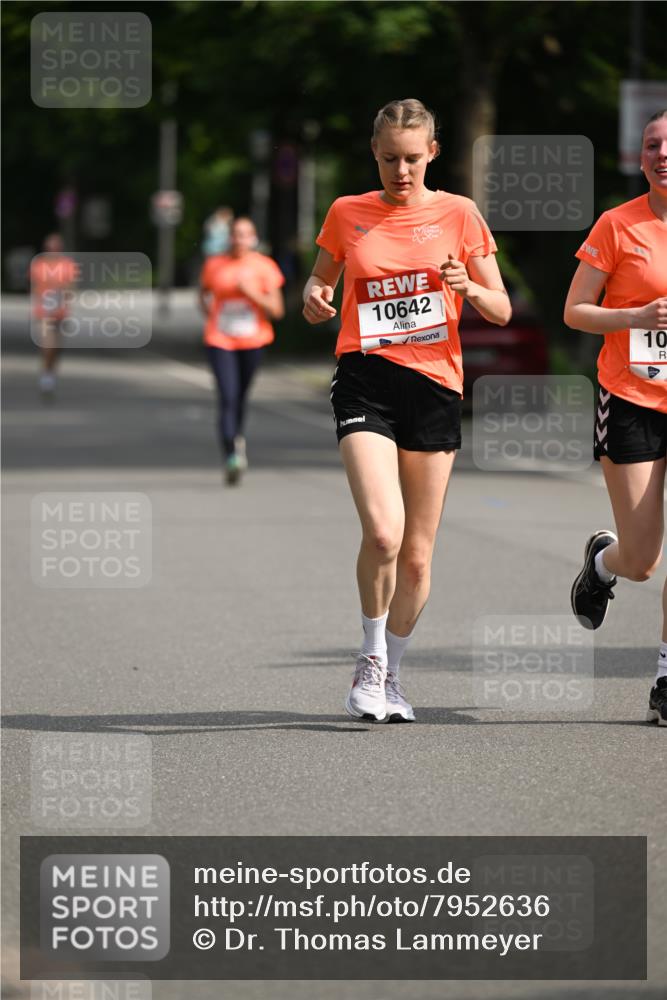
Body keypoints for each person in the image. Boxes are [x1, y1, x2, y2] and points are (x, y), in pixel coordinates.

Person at [302, 98, 511, 722]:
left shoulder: (460, 214)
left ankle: (394, 671)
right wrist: (315, 298)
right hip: (365, 379)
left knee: (418, 555)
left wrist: (465, 285)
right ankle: (368, 663)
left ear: (433, 155)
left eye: (413, 159)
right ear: (375, 153)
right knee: (384, 532)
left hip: (436, 388)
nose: (401, 171)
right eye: (390, 158)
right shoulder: (347, 213)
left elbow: (499, 308)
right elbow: (320, 284)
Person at [565, 109, 667, 727]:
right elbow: (576, 311)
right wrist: (634, 318)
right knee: (644, 560)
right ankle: (603, 565)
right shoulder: (618, 225)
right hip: (630, 399)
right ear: (641, 158)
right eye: (654, 144)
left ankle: (665, 680)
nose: (664, 154)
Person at [199, 216, 285, 484]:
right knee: (227, 395)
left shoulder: (264, 267)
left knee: (241, 396)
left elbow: (277, 311)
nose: (239, 239)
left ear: (253, 238)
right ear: (229, 237)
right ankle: (230, 455)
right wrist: (209, 312)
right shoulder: (215, 264)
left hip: (253, 340)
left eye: (245, 234)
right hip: (220, 339)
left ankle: (237, 438)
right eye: (235, 234)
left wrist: (251, 294)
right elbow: (203, 292)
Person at [30, 233, 77, 400]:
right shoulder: (39, 265)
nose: (53, 250)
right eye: (50, 247)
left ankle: (50, 376)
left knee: (56, 349)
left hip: (61, 313)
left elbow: (71, 287)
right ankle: (46, 380)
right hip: (43, 313)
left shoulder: (67, 265)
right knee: (47, 346)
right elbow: (36, 288)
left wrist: (61, 291)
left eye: (56, 247)